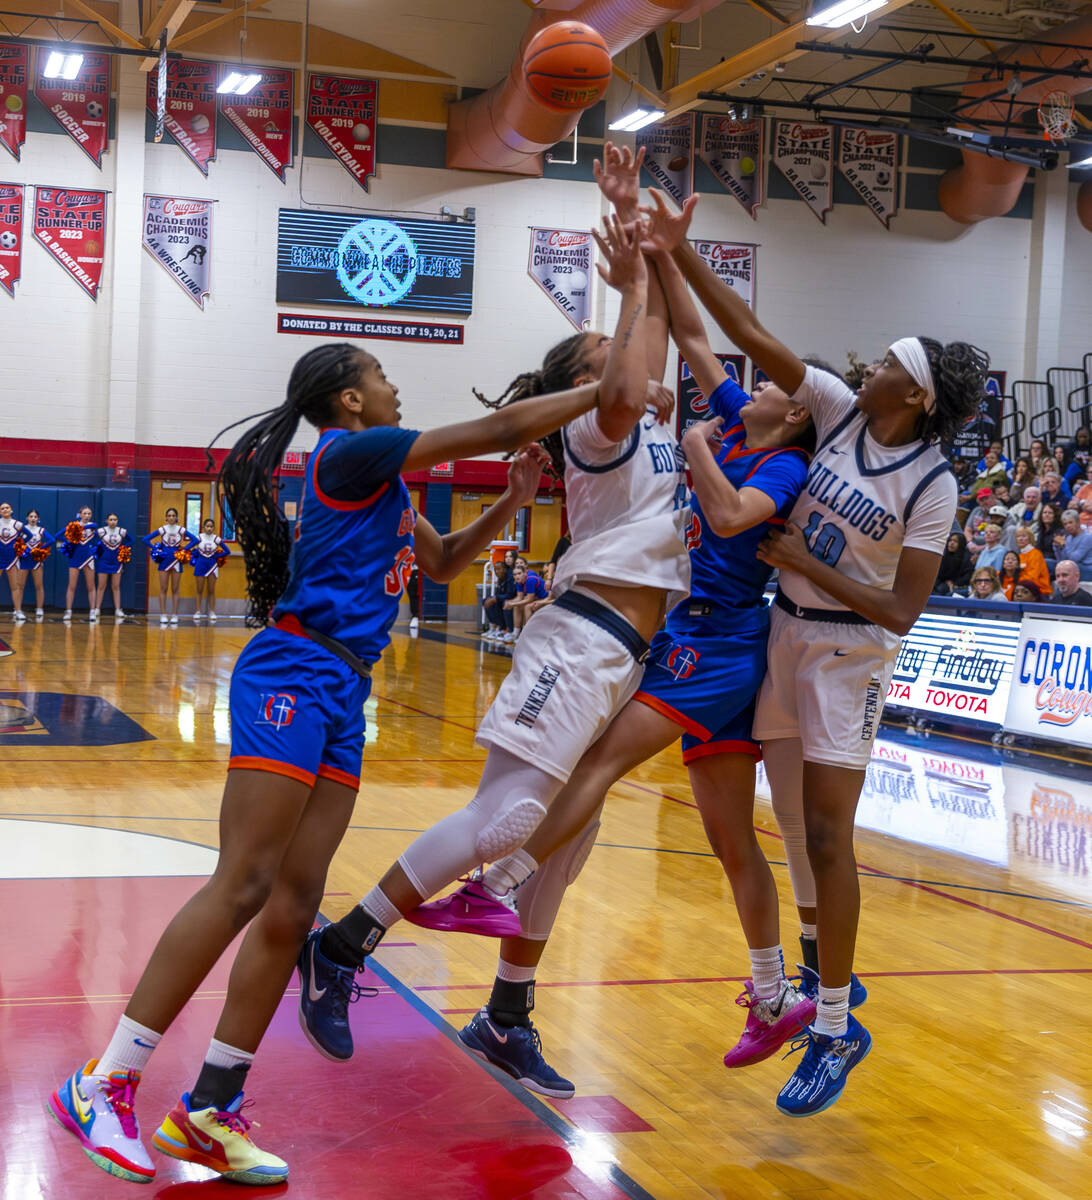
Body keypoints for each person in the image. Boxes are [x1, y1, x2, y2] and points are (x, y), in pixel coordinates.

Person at [47, 341, 612, 1186]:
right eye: (380, 376)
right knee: (242, 882)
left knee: (298, 899)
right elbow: (496, 424)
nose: (392, 386)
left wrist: (515, 503)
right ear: (349, 400)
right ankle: (106, 1083)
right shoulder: (352, 452)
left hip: (345, 688)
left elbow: (442, 565)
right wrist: (613, 391)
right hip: (294, 672)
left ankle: (209, 1109)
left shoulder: (384, 481)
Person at [605, 189, 987, 1116]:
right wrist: (677, 251)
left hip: (850, 654)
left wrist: (816, 562)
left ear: (917, 394)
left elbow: (901, 609)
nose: (868, 366)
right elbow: (737, 326)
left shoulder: (933, 484)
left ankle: (830, 1027)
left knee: (825, 833)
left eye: (887, 363)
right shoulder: (835, 410)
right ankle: (810, 986)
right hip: (779, 632)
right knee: (779, 832)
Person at [412, 241, 823, 1090]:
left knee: (599, 773)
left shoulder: (772, 458)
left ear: (793, 416)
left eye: (781, 388)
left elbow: (728, 508)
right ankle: (775, 990)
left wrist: (698, 442)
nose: (760, 383)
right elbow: (699, 337)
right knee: (728, 838)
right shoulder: (731, 415)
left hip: (710, 645)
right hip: (685, 637)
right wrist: (661, 257)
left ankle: (501, 884)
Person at [296, 207, 691, 1076]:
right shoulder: (598, 427)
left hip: (629, 655)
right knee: (505, 822)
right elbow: (623, 382)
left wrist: (654, 259)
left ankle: (508, 1016)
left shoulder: (654, 425)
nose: (630, 367)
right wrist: (629, 288)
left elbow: (647, 356)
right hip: (582, 642)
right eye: (607, 357)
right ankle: (343, 945)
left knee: (569, 840)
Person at [144, 509, 198, 625]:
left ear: (176, 517)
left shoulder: (180, 529)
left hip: (176, 561)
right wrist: (156, 549)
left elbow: (195, 540)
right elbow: (145, 539)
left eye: (173, 515)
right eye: (169, 515)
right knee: (163, 588)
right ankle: (163, 614)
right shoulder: (162, 529)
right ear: (166, 517)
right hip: (164, 561)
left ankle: (174, 615)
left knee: (175, 589)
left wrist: (184, 549)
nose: (171, 517)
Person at [59, 505, 97, 621]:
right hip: (75, 557)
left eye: (89, 513)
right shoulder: (73, 526)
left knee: (91, 586)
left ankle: (92, 612)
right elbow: (57, 535)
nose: (87, 516)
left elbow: (94, 525)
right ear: (80, 514)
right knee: (71, 586)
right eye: (84, 513)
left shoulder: (92, 526)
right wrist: (70, 539)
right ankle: (68, 611)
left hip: (88, 558)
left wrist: (78, 528)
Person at [12, 508, 52, 619]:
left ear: (38, 519)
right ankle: (17, 608)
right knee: (20, 586)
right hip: (24, 560)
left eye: (35, 517)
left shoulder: (41, 530)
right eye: (31, 516)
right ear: (27, 518)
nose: (33, 518)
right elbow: (15, 541)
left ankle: (39, 608)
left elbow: (52, 539)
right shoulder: (22, 529)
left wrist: (40, 549)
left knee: (39, 586)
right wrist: (22, 549)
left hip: (36, 561)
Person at [93, 514, 133, 620]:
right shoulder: (101, 531)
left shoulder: (121, 531)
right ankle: (97, 609)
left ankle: (118, 609)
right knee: (101, 586)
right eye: (111, 519)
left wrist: (123, 548)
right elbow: (89, 538)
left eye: (115, 519)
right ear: (106, 521)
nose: (113, 521)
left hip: (116, 562)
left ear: (117, 521)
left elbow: (132, 540)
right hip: (103, 561)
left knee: (116, 586)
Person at [191, 517, 230, 621]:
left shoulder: (216, 538)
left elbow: (227, 551)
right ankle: (198, 611)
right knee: (199, 589)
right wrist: (195, 553)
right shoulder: (198, 537)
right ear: (203, 527)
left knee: (211, 590)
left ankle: (212, 612)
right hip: (200, 564)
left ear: (213, 528)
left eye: (211, 526)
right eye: (207, 526)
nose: (209, 528)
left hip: (212, 565)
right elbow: (190, 548)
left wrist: (215, 557)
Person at [504, 559, 548, 640]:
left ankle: (526, 634)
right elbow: (519, 597)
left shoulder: (530, 579)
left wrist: (513, 604)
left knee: (527, 606)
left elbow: (529, 599)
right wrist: (510, 603)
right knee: (517, 605)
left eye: (519, 574)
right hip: (536, 598)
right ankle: (515, 633)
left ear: (525, 573)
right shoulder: (519, 580)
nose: (517, 576)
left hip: (545, 599)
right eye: (515, 574)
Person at [0, 501, 25, 616]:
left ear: (11, 510)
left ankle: (18, 611)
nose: (5, 509)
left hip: (12, 559)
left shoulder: (17, 524)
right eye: (2, 508)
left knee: (15, 586)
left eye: (7, 507)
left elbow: (28, 535)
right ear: (0, 512)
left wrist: (21, 545)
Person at [482, 559, 516, 641]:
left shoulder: (510, 577)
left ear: (504, 569)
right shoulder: (501, 578)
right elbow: (500, 593)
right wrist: (493, 598)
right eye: (495, 569)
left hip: (513, 599)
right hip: (505, 598)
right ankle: (495, 627)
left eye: (499, 569)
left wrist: (496, 598)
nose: (496, 572)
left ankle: (507, 630)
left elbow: (510, 594)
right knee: (486, 600)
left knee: (503, 602)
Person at [1013, 526, 1050, 597]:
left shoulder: (1036, 554)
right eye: (1018, 536)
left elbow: (1032, 577)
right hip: (1022, 589)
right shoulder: (1019, 556)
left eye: (1024, 536)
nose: (1020, 539)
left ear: (1030, 538)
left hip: (1039, 591)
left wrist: (1015, 580)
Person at [1055, 509, 1092, 578]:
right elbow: (1061, 560)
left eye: (1070, 522)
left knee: (1068, 568)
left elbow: (1074, 559)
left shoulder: (1088, 537)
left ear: (1078, 522)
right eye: (1065, 524)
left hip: (1087, 569)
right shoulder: (1068, 538)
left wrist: (1063, 544)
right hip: (1073, 568)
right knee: (1047, 562)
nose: (1068, 526)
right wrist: (1057, 547)